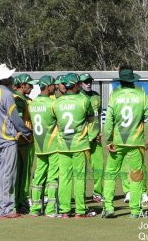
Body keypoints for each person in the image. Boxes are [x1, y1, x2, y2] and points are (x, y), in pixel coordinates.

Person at [102, 66, 148, 218]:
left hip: (117, 142)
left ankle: (108, 207)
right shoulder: (141, 94)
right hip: (135, 143)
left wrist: (109, 140)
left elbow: (108, 121)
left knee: (110, 174)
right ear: (133, 79)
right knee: (136, 176)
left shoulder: (115, 94)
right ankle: (135, 210)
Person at [0, 64, 31, 218]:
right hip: (8, 139)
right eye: (10, 76)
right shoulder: (6, 94)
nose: (12, 78)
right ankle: (6, 209)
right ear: (4, 79)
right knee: (8, 174)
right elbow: (15, 118)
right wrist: (25, 131)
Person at [53, 73, 96, 218]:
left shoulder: (56, 102)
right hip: (80, 145)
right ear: (76, 85)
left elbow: (55, 120)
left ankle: (65, 211)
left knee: (64, 178)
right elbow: (91, 118)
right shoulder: (84, 100)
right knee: (79, 178)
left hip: (62, 145)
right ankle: (80, 211)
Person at [28, 75, 60, 217]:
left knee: (39, 176)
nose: (55, 87)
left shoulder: (32, 103)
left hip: (39, 145)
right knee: (53, 177)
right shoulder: (52, 104)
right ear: (48, 87)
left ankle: (34, 209)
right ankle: (50, 209)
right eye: (53, 85)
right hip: (53, 145)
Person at [12, 73, 37, 213]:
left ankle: (20, 200)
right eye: (30, 85)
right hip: (23, 141)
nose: (32, 87)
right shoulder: (19, 99)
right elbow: (19, 121)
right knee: (22, 174)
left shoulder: (21, 98)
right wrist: (28, 133)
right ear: (22, 85)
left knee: (22, 173)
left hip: (22, 141)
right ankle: (20, 201)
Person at [79, 73, 104, 203]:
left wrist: (99, 132)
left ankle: (97, 193)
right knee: (81, 170)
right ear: (80, 83)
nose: (88, 83)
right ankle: (81, 195)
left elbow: (97, 116)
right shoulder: (78, 97)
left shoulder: (96, 97)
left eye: (89, 81)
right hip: (82, 140)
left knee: (99, 168)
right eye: (85, 82)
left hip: (96, 139)